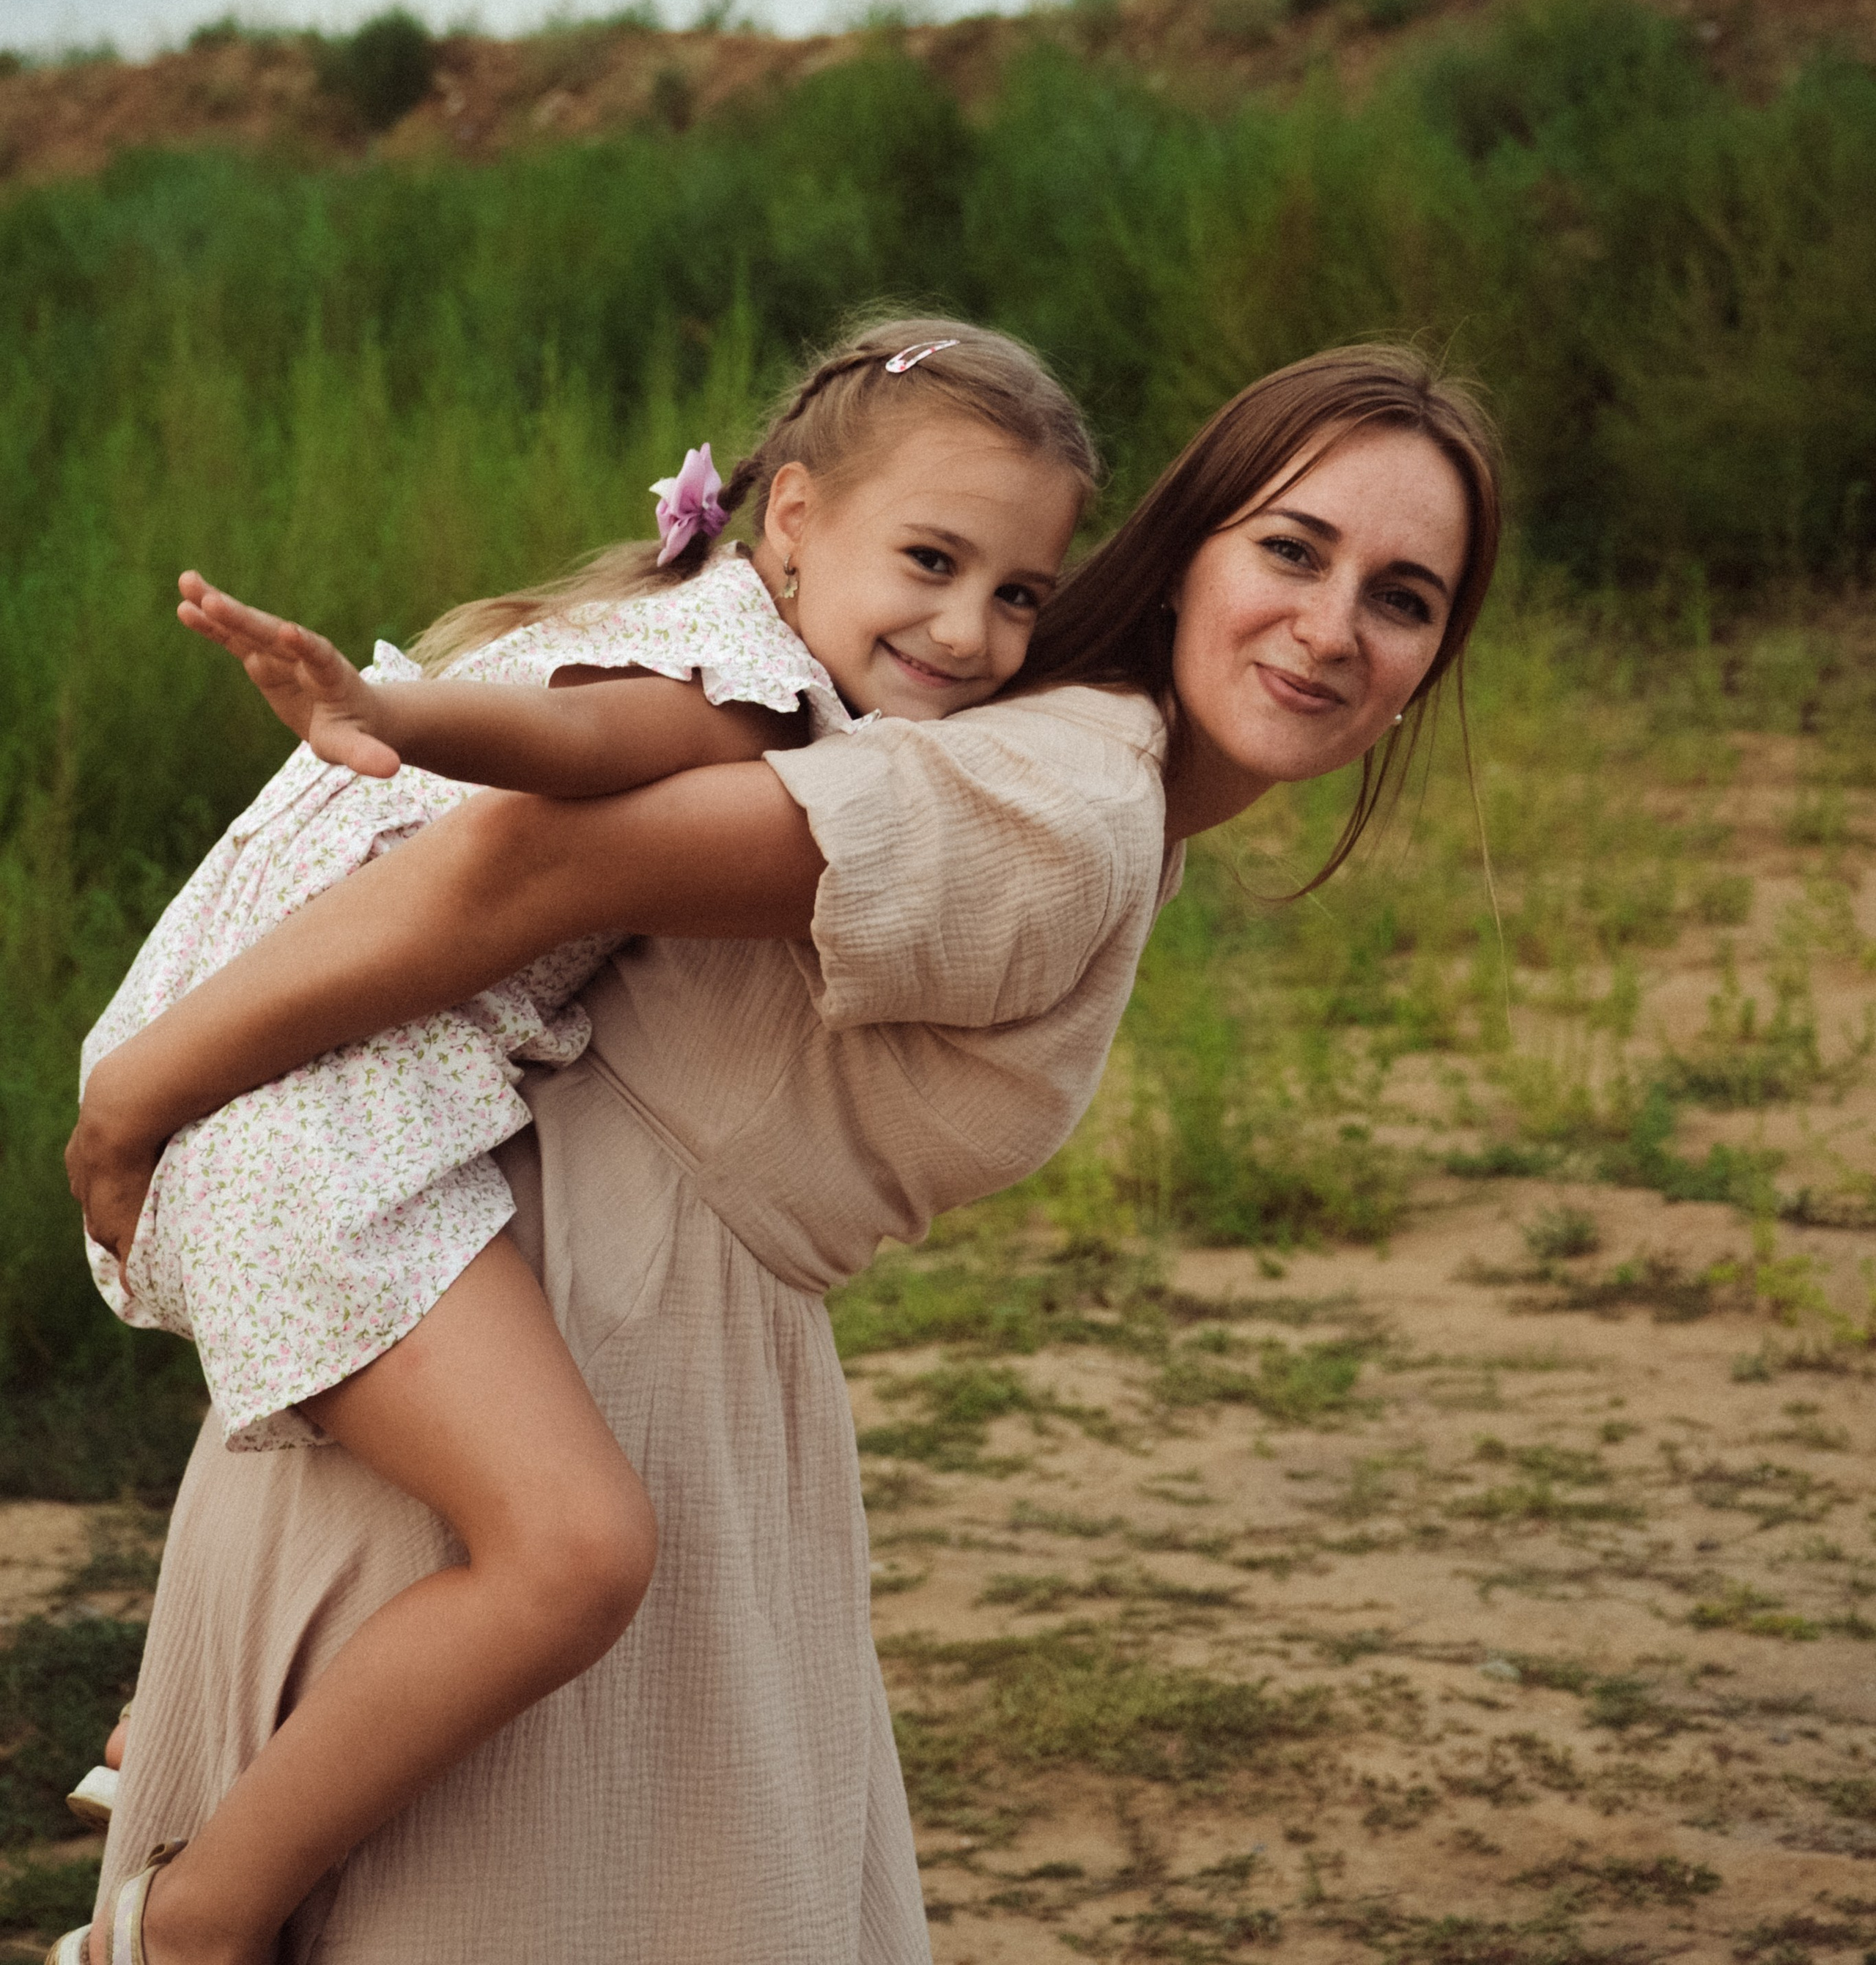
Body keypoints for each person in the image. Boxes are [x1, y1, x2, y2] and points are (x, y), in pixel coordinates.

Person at [64, 341, 1501, 1965]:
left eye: (1402, 596)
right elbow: (523, 866)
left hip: (568, 1338)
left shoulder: (1055, 766)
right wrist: (134, 1102)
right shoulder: (1072, 799)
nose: (1330, 627)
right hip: (568, 1352)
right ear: (1186, 550)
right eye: (1292, 550)